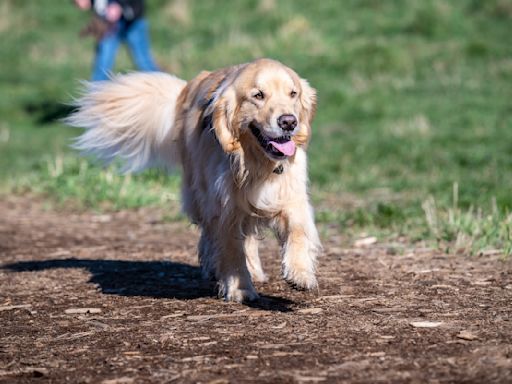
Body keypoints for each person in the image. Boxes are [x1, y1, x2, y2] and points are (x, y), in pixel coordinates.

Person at [75, 0, 160, 81]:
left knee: (144, 62)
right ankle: (96, 94)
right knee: (102, 65)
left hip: (132, 19)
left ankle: (163, 88)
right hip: (108, 23)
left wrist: (121, 6)